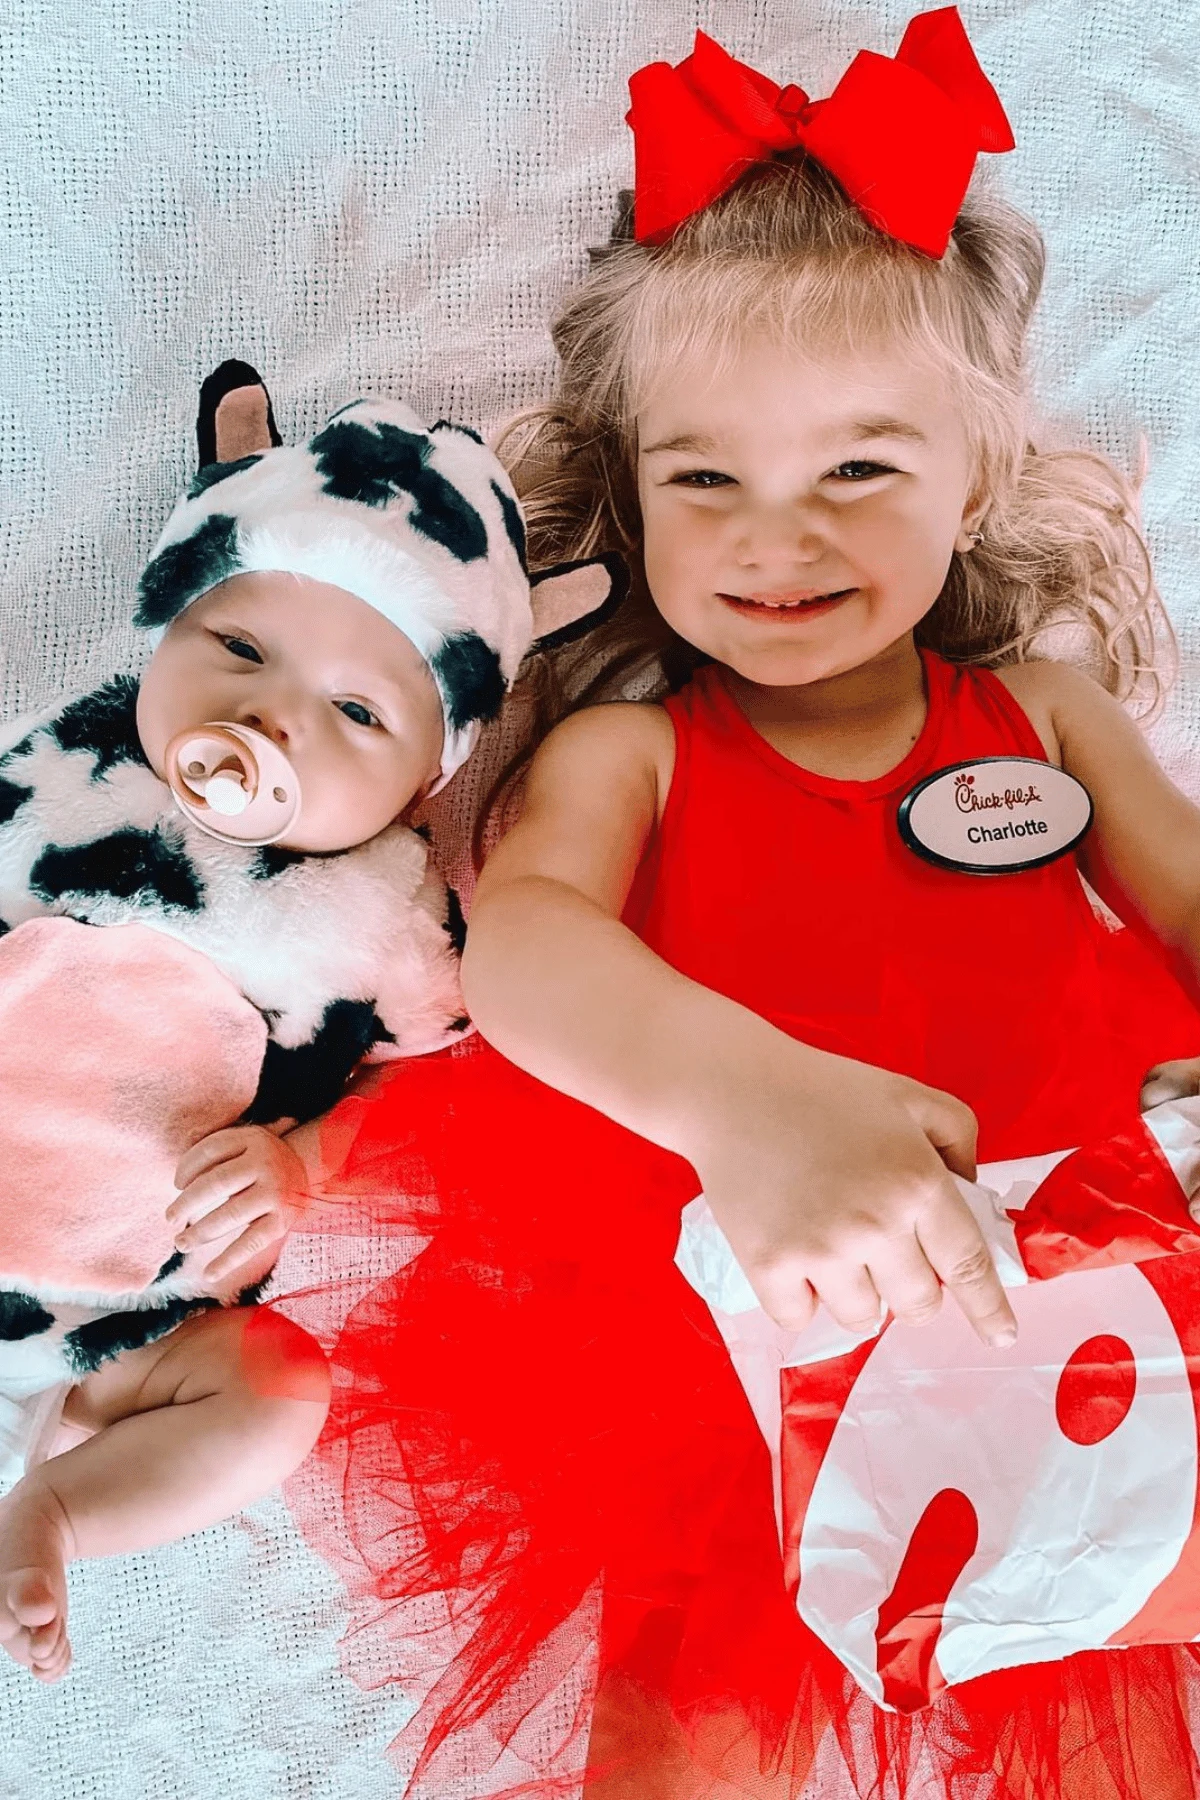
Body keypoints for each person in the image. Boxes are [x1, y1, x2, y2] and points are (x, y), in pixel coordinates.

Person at [288, 11, 1200, 1796]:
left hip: (1082, 1286)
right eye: (708, 478)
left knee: (1119, 1717)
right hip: (723, 1310)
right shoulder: (640, 742)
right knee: (692, 1730)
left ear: (977, 474)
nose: (780, 536)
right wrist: (744, 1102)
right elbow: (532, 944)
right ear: (630, 496)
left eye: (860, 469)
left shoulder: (1043, 711)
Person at [0, 368, 619, 1687]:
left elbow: (433, 1101)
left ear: (423, 779)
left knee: (279, 1385)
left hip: (116, 1353)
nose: (271, 717)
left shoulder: (383, 914)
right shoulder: (57, 772)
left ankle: (58, 1507)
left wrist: (301, 1165)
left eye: (355, 714)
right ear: (164, 626)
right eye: (238, 650)